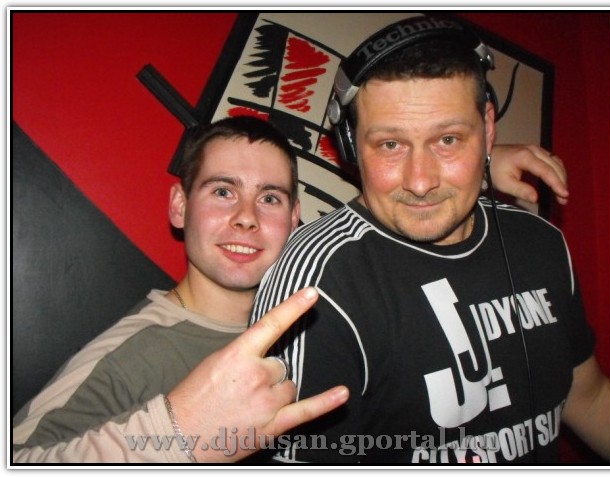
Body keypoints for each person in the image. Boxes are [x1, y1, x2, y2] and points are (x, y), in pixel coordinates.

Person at [12, 97, 569, 462]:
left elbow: (384, 216)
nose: (246, 218)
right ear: (180, 206)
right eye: (223, 191)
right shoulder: (134, 353)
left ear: (296, 217)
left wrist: (474, 166)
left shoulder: (322, 303)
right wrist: (178, 433)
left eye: (270, 198)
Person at [252, 14, 610, 464]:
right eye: (390, 145)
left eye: (448, 140)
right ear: (350, 145)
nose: (420, 181)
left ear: (488, 129)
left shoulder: (541, 242)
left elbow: (588, 396)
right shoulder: (316, 286)